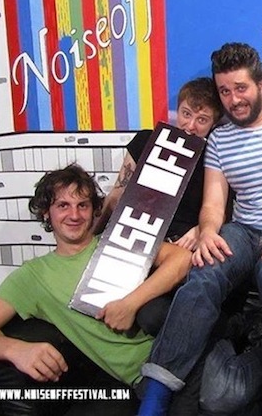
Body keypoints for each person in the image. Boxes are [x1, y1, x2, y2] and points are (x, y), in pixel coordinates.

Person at [138, 42, 262, 415]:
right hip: (244, 230)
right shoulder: (220, 138)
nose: (233, 100)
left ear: (261, 85)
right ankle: (156, 391)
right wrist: (208, 231)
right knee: (204, 269)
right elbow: (214, 204)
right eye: (225, 91)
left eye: (241, 88)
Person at [0, 164, 192, 415]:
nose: (74, 215)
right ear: (46, 213)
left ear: (94, 210)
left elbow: (181, 259)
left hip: (182, 354)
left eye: (83, 205)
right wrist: (15, 350)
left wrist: (131, 303)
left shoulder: (117, 240)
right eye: (63, 205)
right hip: (144, 381)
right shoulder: (33, 276)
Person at [92, 77, 223, 336]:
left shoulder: (214, 156)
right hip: (137, 242)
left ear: (213, 124)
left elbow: (220, 208)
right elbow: (115, 196)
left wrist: (200, 229)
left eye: (202, 120)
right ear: (177, 111)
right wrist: (93, 233)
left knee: (152, 315)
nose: (190, 126)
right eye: (186, 114)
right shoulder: (146, 141)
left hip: (180, 252)